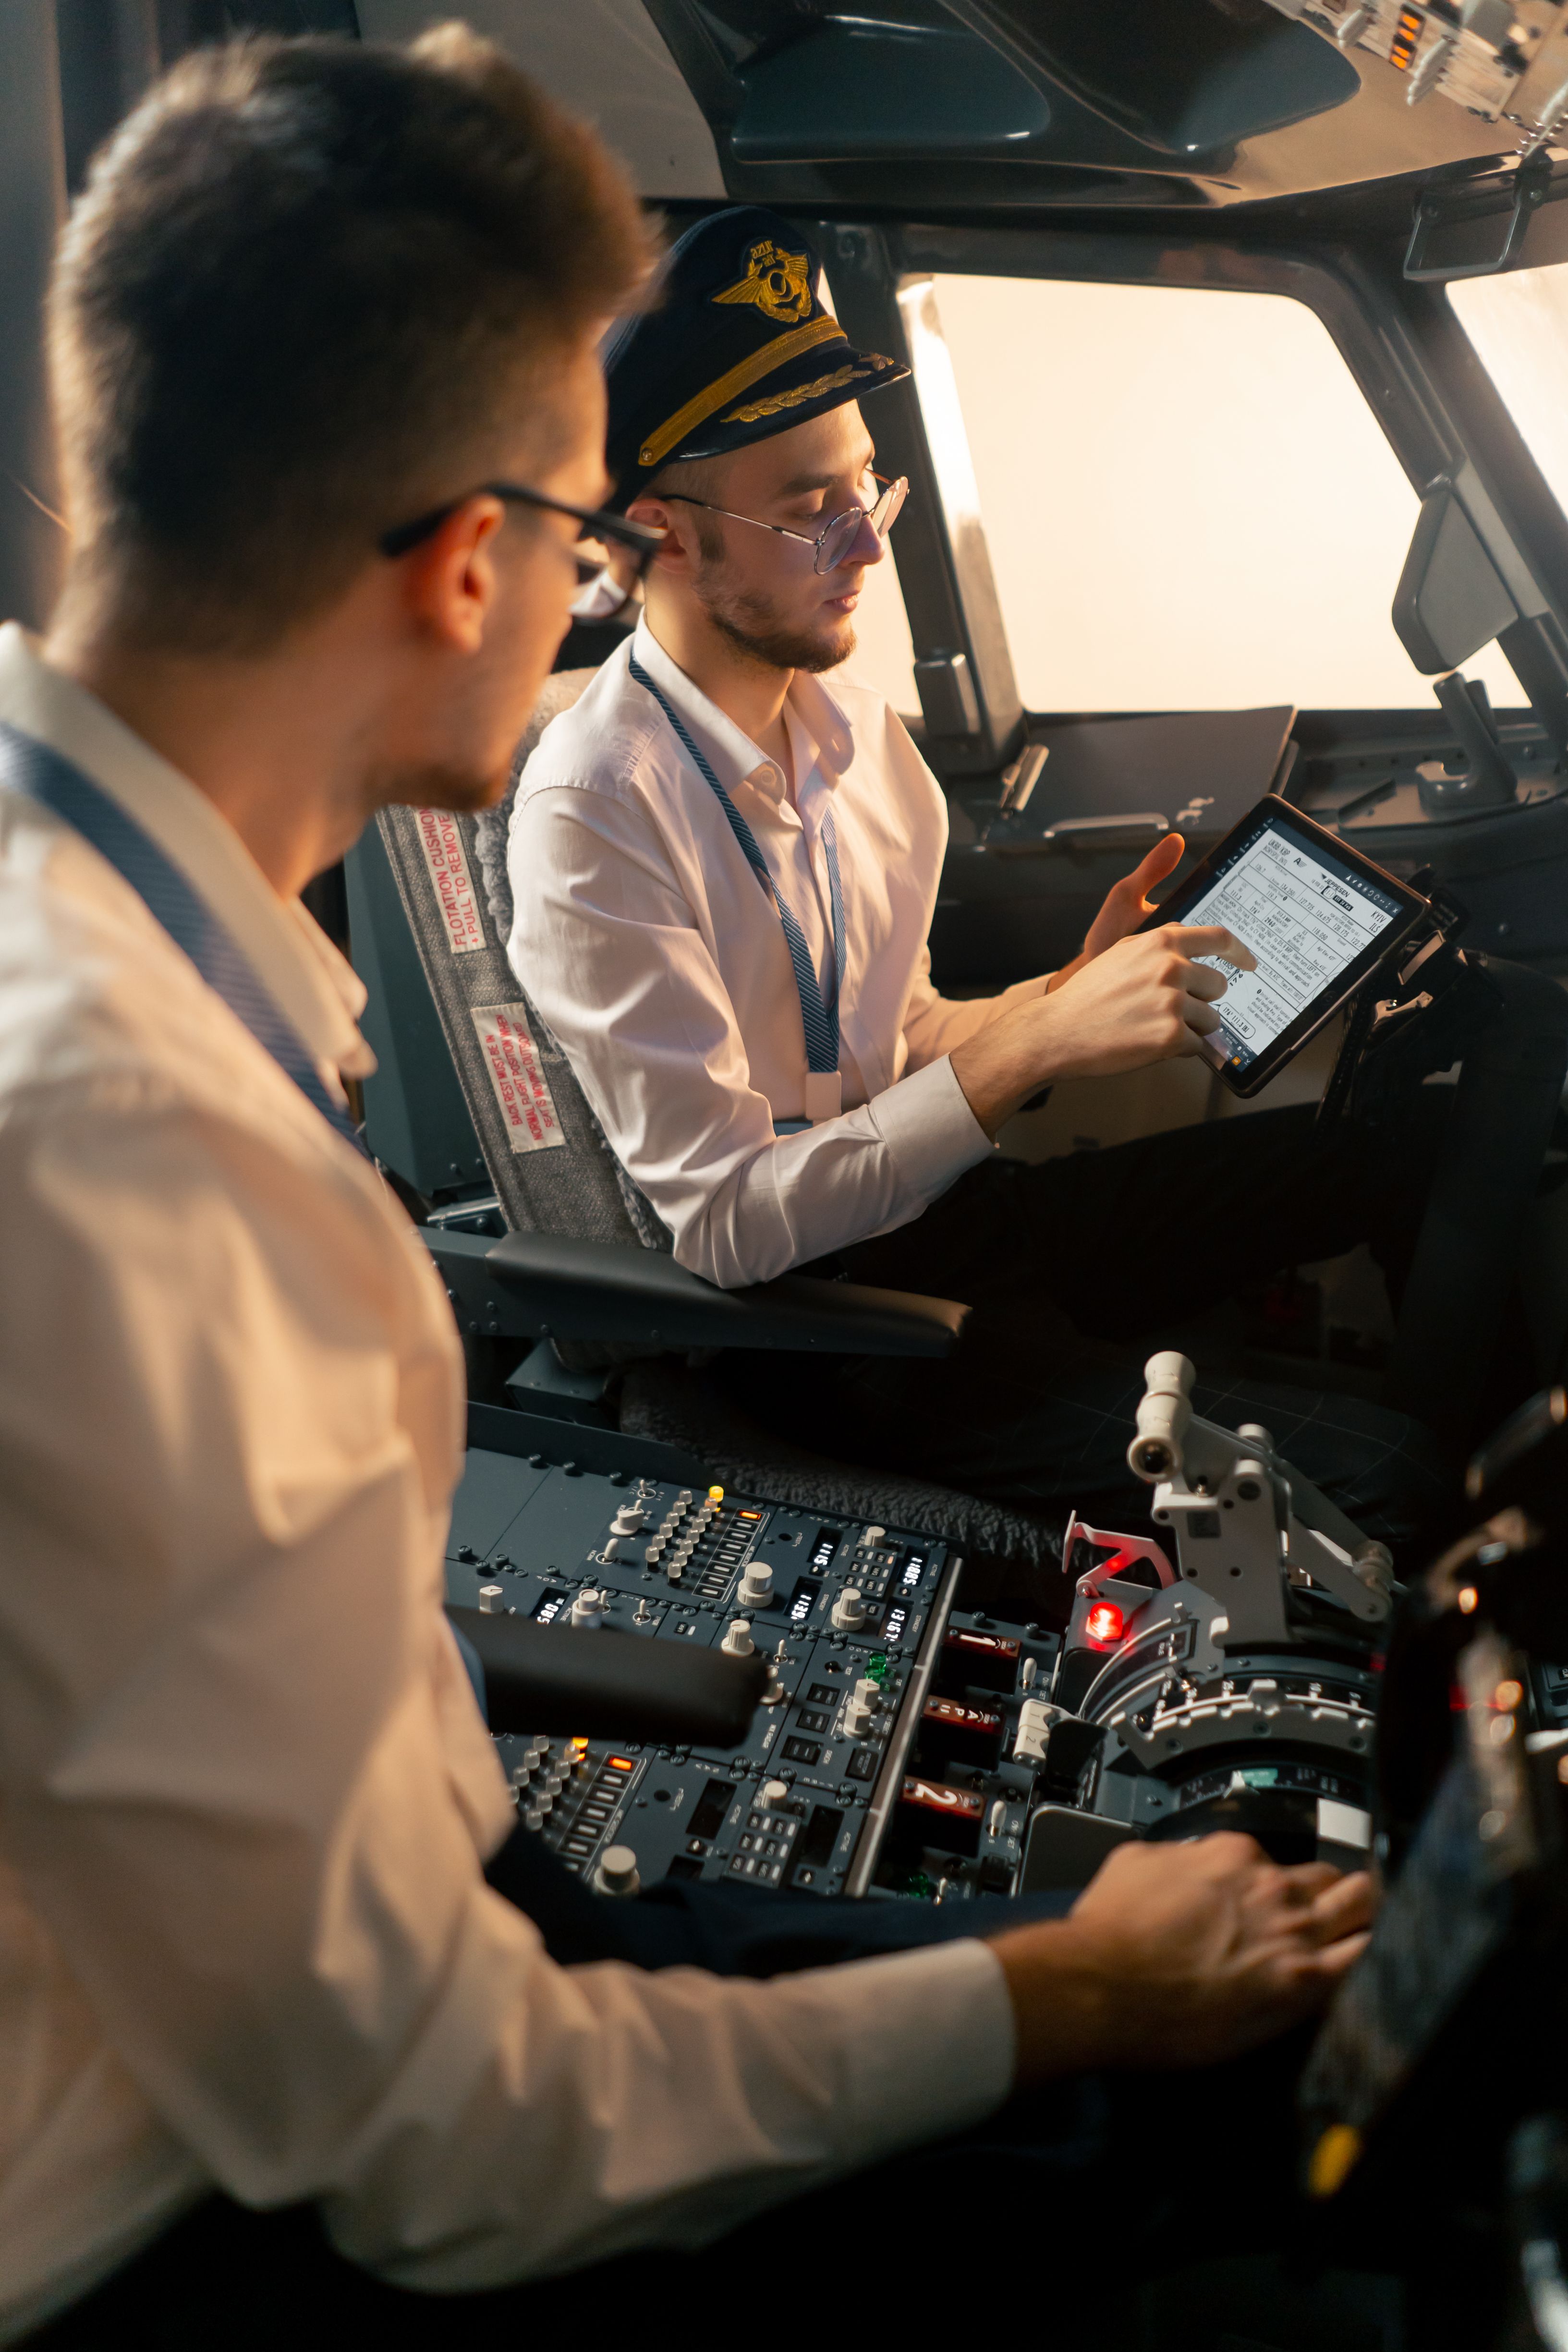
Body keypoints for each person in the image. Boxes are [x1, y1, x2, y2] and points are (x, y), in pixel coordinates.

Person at [0, 29, 1371, 2346]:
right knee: (1245, 2172)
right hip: (155, 2212)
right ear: (470, 564)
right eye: (571, 526)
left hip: (295, 1980)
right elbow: (451, 2139)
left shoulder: (105, 964)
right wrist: (1060, 2004)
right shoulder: (156, 1161)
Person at [505, 206, 1449, 1557]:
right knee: (1383, 1477)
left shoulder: (852, 732)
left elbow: (894, 1041)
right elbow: (721, 1225)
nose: (866, 547)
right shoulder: (595, 812)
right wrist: (1035, 1051)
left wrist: (1055, 993)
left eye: (863, 490)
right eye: (806, 511)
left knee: (1384, 1155)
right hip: (822, 1329)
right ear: (659, 527)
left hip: (954, 1221)